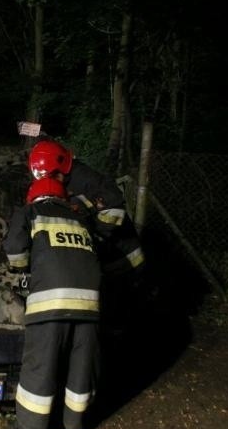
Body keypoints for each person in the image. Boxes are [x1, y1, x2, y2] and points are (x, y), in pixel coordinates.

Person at [2, 176, 101, 429]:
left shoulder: (31, 211)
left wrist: (23, 269)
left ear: (34, 196)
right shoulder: (80, 218)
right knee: (82, 367)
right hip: (90, 305)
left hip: (50, 303)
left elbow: (14, 249)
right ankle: (74, 426)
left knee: (40, 365)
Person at [28, 139, 146, 331]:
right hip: (107, 259)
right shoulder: (68, 180)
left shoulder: (85, 180)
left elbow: (114, 212)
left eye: (51, 176)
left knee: (119, 317)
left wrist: (91, 239)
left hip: (123, 259)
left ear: (60, 168)